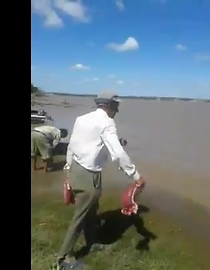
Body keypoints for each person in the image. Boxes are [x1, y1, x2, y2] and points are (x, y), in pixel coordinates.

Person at [53, 91, 146, 269]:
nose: (118, 109)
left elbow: (74, 145)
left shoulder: (82, 118)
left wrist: (68, 168)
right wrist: (135, 176)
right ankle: (64, 258)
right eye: (116, 105)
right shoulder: (107, 122)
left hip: (76, 169)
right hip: (89, 176)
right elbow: (118, 153)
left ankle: (91, 240)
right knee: (79, 217)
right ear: (110, 105)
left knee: (91, 210)